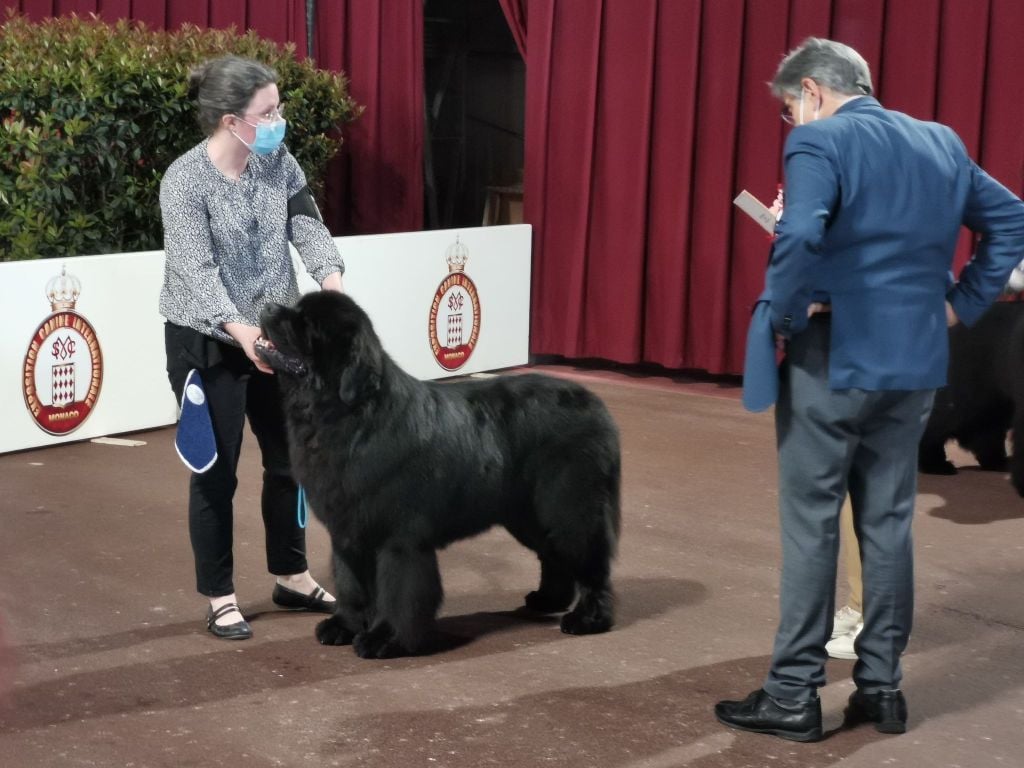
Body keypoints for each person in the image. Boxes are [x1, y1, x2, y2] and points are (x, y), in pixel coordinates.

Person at [719, 37, 1024, 741]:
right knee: (887, 526)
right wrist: (960, 305)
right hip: (914, 360)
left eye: (791, 110)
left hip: (834, 357)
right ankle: (881, 690)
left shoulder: (819, 144)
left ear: (813, 92)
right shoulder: (941, 142)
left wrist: (790, 313)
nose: (793, 124)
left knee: (812, 523)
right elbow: (1009, 219)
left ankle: (793, 694)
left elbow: (797, 240)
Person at [159, 55, 344, 640]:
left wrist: (331, 280)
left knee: (291, 460)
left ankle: (292, 573)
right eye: (268, 113)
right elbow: (195, 270)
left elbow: (305, 221)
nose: (278, 121)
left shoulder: (277, 160)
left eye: (278, 109)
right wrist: (241, 332)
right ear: (230, 119)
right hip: (208, 339)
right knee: (215, 473)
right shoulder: (184, 181)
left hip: (275, 331)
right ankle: (220, 594)